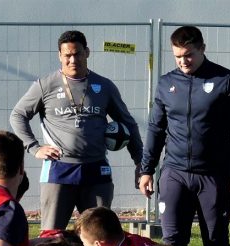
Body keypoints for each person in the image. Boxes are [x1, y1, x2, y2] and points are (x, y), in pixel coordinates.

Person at [138, 25, 230, 246]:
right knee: (171, 245)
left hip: (213, 175)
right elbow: (156, 128)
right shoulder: (167, 83)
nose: (183, 62)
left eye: (188, 55)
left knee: (215, 242)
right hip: (175, 173)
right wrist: (146, 170)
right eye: (178, 56)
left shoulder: (226, 80)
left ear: (202, 48)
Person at [10, 30, 143, 231]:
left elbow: (128, 124)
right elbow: (18, 115)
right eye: (67, 55)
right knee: (52, 236)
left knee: (100, 235)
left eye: (78, 53)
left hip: (96, 169)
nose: (73, 60)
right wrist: (34, 147)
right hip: (58, 169)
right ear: (59, 56)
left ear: (87, 52)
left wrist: (140, 162)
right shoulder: (45, 85)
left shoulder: (104, 86)